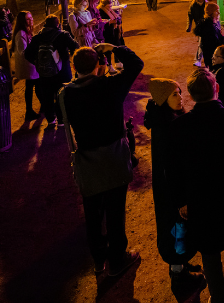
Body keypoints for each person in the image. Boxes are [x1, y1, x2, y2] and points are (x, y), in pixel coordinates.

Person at [167, 69, 224, 303]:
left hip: (200, 202)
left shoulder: (180, 127)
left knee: (210, 254)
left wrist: (181, 201)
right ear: (216, 89)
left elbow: (174, 170)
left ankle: (218, 298)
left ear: (190, 94)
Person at [58, 43, 144, 276]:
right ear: (98, 65)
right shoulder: (111, 86)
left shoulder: (65, 94)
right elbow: (136, 64)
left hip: (87, 157)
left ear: (74, 67)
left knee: (93, 211)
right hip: (114, 154)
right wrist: (115, 47)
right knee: (116, 210)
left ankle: (98, 258)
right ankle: (117, 259)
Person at [143, 79, 204, 294]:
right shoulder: (166, 128)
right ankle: (180, 277)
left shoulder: (166, 119)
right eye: (174, 95)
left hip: (171, 192)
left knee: (179, 232)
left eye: (179, 93)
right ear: (162, 100)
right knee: (177, 232)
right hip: (172, 195)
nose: (180, 98)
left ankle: (181, 267)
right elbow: (171, 168)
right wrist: (181, 201)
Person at [24, 15, 80, 126]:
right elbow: (75, 46)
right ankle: (62, 119)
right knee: (62, 94)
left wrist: (37, 63)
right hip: (62, 71)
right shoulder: (63, 35)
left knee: (47, 95)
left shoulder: (37, 37)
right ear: (57, 24)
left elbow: (27, 54)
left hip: (44, 73)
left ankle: (50, 119)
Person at [11, 11, 41, 122]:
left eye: (31, 18)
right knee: (33, 86)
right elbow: (23, 51)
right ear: (22, 21)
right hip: (28, 64)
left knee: (34, 85)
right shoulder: (21, 34)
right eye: (28, 19)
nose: (31, 20)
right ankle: (30, 110)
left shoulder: (28, 31)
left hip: (32, 63)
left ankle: (36, 108)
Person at [194, 3, 224, 71]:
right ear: (211, 13)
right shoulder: (208, 27)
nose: (219, 13)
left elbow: (217, 39)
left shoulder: (214, 23)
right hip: (213, 57)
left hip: (215, 55)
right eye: (216, 11)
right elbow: (214, 43)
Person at [187, 0, 208, 67]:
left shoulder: (207, 5)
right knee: (202, 43)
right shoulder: (193, 5)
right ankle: (199, 60)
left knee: (202, 43)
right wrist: (188, 26)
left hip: (207, 26)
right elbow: (190, 16)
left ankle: (199, 60)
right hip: (199, 27)